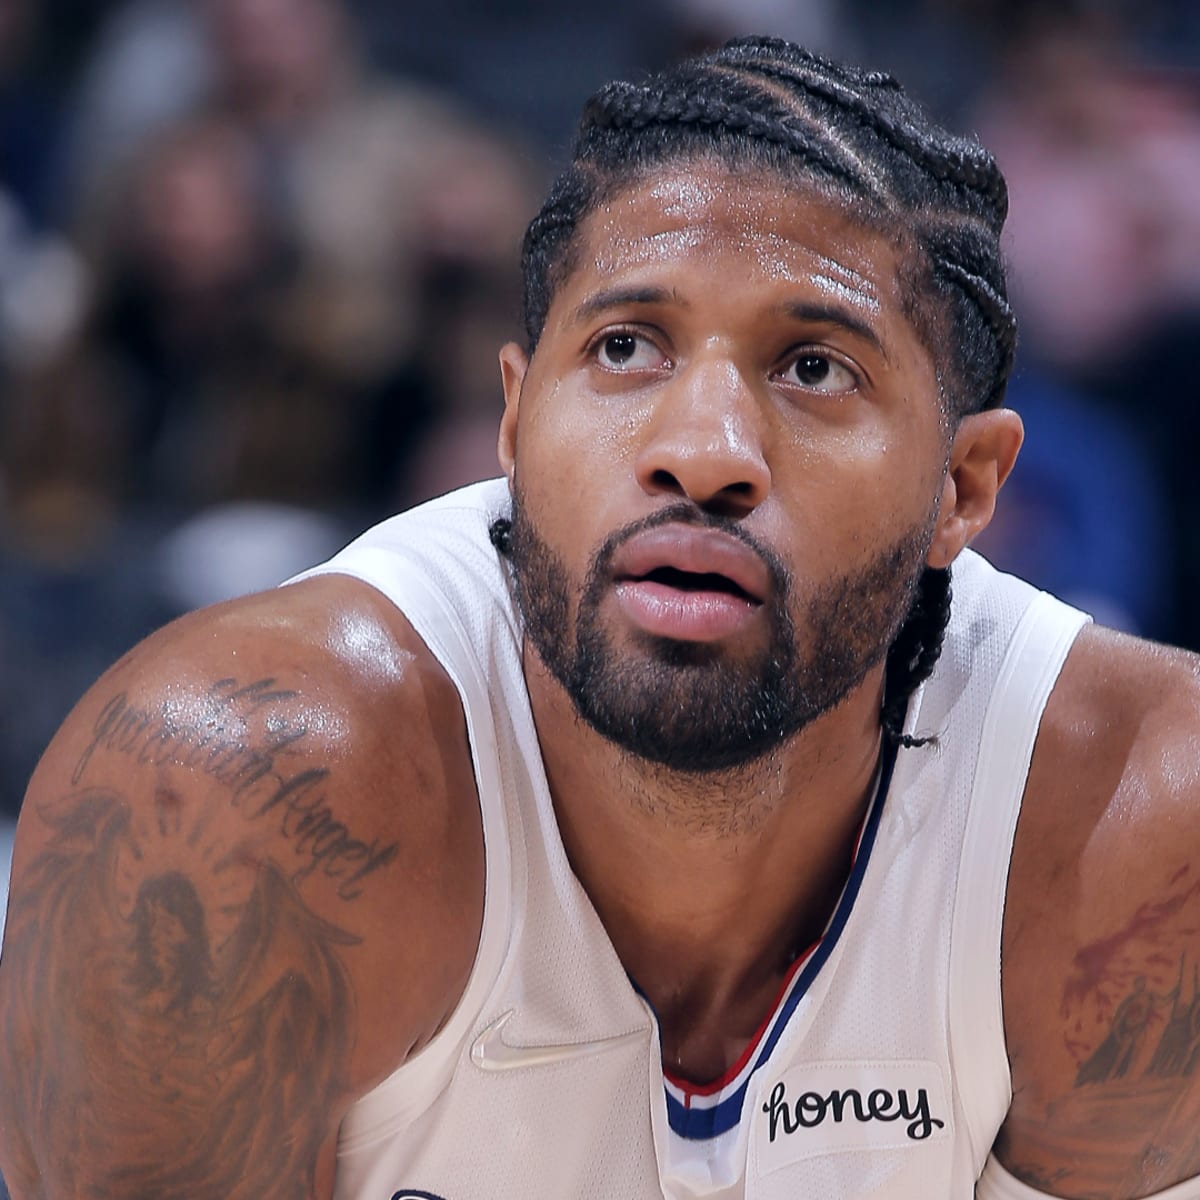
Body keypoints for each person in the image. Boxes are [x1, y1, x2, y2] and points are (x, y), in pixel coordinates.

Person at [1, 34, 1199, 1200]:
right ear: (515, 426)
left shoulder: (1139, 838)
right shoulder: (228, 807)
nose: (704, 452)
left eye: (814, 368)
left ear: (964, 488)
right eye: (627, 347)